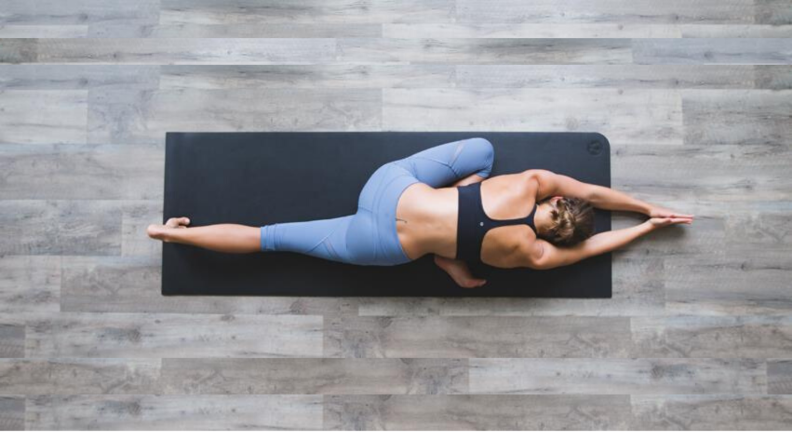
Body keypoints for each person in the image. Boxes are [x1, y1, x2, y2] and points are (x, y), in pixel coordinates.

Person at [147, 138, 693, 288]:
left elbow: (591, 190)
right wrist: (643, 231)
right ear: (559, 239)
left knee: (481, 152)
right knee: (271, 239)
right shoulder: (536, 255)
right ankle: (171, 237)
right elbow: (595, 246)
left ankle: (461, 200)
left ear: (555, 203)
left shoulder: (531, 183)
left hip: (391, 190)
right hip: (381, 243)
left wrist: (646, 204)